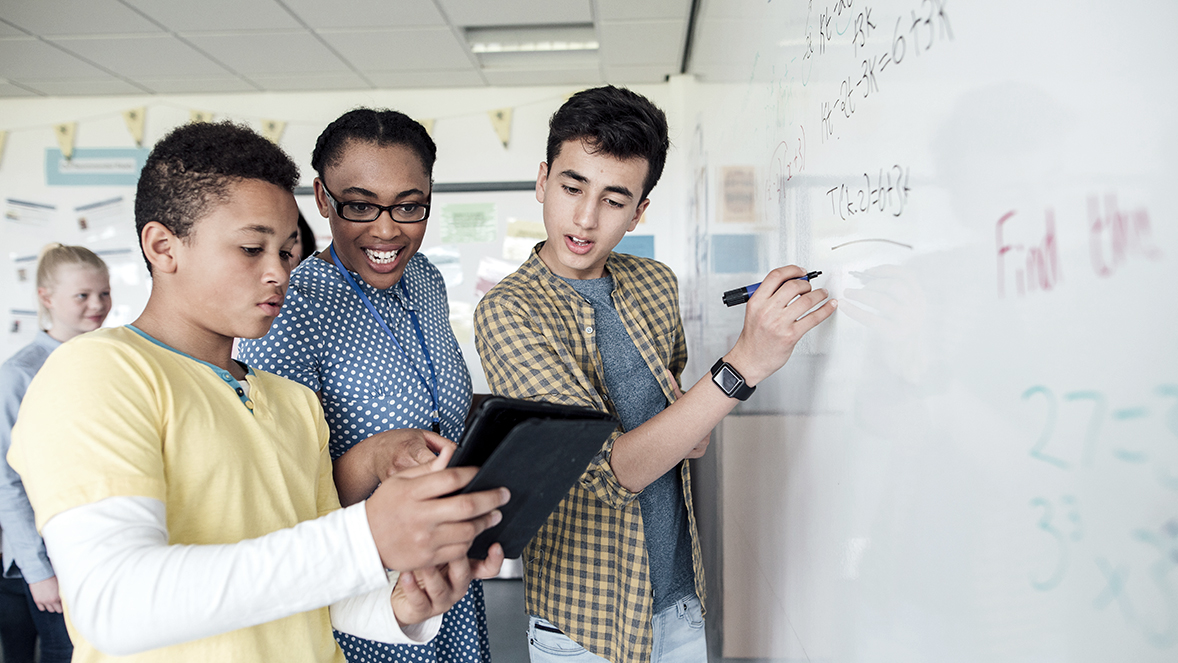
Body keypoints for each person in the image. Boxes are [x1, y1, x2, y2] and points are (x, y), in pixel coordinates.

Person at [7, 121, 509, 663]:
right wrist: (366, 535)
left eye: (288, 251)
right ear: (162, 246)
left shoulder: (293, 403)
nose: (278, 273)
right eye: (251, 248)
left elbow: (317, 591)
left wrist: (403, 602)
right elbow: (115, 603)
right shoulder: (98, 373)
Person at [473, 86, 838, 663]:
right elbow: (607, 472)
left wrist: (687, 424)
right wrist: (745, 364)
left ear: (640, 210)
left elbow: (682, 428)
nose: (586, 218)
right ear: (543, 180)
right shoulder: (509, 310)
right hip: (583, 623)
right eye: (572, 187)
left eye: (614, 200)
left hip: (679, 599)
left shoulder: (654, 283)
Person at [239, 108, 493, 663]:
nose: (387, 230)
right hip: (363, 592)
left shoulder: (423, 277)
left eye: (409, 205)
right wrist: (374, 457)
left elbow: (434, 406)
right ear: (323, 200)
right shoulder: (289, 307)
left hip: (446, 568)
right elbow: (280, 504)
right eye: (360, 205)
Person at [0, 243, 109, 663]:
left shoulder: (107, 360)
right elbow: (8, 482)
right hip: (41, 563)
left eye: (104, 292)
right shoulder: (21, 372)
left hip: (90, 550)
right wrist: (39, 570)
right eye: (82, 295)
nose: (97, 305)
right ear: (47, 298)